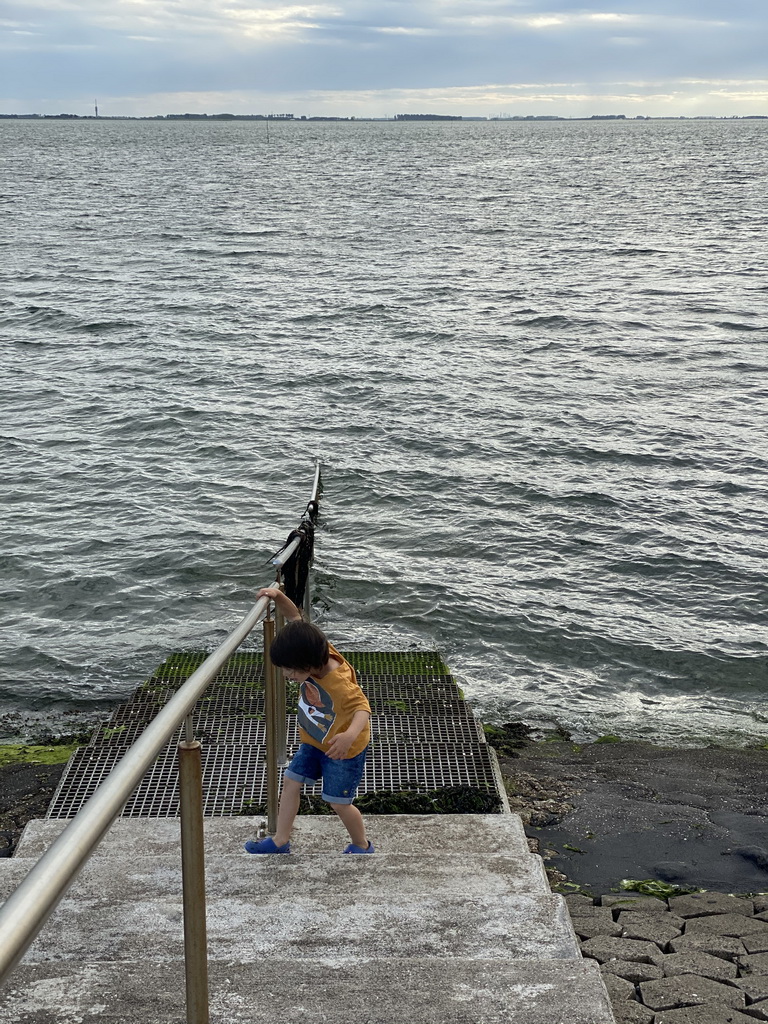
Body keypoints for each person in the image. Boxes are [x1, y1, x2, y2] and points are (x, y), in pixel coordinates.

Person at [244, 587, 374, 854]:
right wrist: (277, 596)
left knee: (338, 803)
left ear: (307, 665)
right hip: (315, 741)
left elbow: (363, 708)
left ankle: (362, 844)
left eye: (289, 670)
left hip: (343, 749)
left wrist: (349, 735)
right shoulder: (315, 648)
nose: (286, 675)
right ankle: (281, 840)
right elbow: (296, 619)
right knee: (291, 780)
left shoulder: (339, 682)